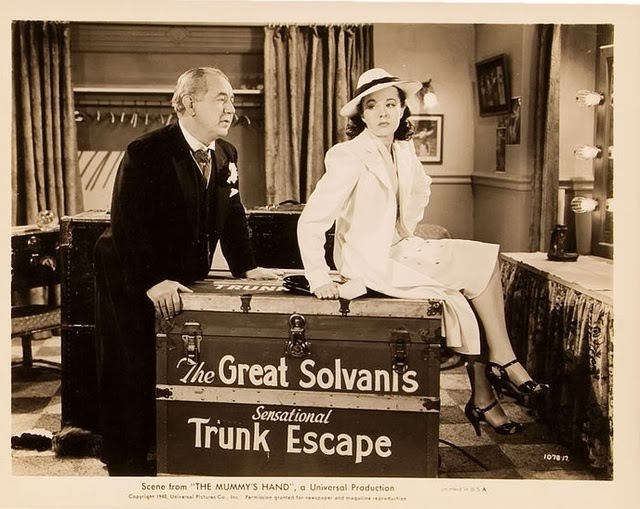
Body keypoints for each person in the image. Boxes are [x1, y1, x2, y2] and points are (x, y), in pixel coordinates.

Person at [297, 68, 548, 437]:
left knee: (480, 268)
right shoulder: (348, 155)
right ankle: (501, 366)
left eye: (390, 104)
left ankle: (489, 385)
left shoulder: (402, 149)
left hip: (400, 249)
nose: (382, 112)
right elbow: (311, 219)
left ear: (402, 110)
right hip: (368, 263)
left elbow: (418, 191)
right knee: (475, 273)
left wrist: (405, 228)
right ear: (361, 115)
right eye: (372, 106)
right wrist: (318, 276)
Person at [94, 67, 278, 476]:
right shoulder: (146, 151)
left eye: (232, 100)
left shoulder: (226, 154)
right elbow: (127, 223)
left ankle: (167, 451)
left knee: (172, 362)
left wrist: (247, 266)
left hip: (179, 276)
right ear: (189, 103)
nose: (231, 109)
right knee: (131, 364)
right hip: (130, 273)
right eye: (221, 99)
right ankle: (125, 463)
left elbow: (232, 214)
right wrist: (152, 281)